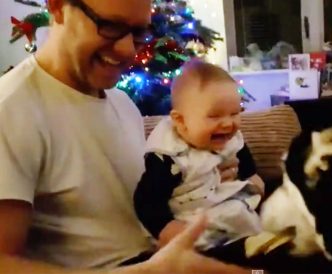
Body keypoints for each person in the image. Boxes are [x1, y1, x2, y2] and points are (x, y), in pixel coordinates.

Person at [0, 0, 248, 273]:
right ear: (57, 6)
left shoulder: (123, 103)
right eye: (110, 26)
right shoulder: (10, 110)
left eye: (139, 32)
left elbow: (143, 199)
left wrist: (207, 177)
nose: (127, 49)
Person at [133, 60, 265, 256]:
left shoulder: (230, 138)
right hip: (189, 224)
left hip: (230, 209)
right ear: (180, 121)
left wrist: (251, 174)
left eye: (235, 113)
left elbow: (241, 151)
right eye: (214, 116)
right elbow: (146, 201)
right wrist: (167, 228)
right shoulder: (168, 157)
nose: (228, 123)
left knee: (251, 232)